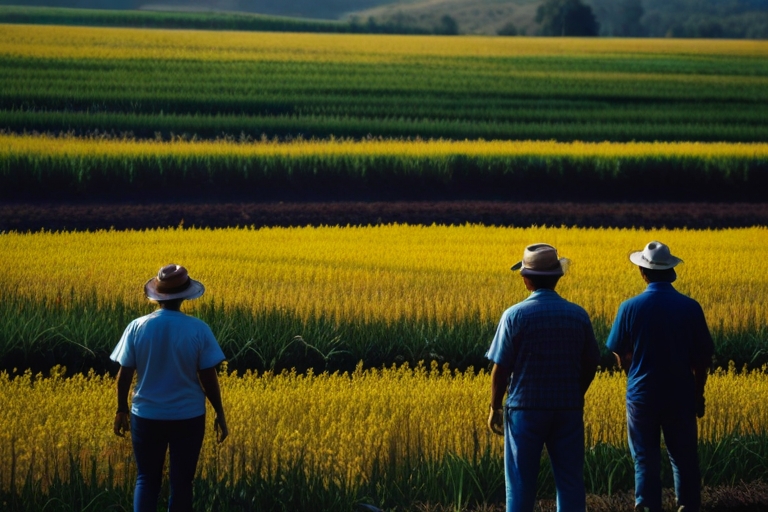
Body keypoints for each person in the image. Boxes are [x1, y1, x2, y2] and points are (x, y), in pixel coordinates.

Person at [486, 243, 601, 512]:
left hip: (525, 409)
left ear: (525, 279)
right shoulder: (578, 315)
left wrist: (495, 406)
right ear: (558, 276)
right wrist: (576, 392)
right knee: (570, 481)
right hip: (568, 409)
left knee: (520, 483)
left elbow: (500, 368)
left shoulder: (514, 315)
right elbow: (592, 362)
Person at [111, 264, 229, 512]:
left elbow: (124, 375)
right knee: (182, 483)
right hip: (188, 416)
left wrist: (121, 409)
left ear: (158, 296)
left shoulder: (137, 327)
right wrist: (219, 412)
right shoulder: (198, 329)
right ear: (185, 296)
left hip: (146, 415)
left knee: (146, 479)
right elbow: (208, 377)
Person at [606, 241, 714, 512]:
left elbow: (619, 352)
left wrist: (634, 372)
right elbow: (702, 359)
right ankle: (686, 506)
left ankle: (646, 506)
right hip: (681, 395)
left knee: (644, 458)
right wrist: (698, 394)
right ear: (671, 272)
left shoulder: (629, 307)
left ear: (644, 272)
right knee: (684, 457)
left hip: (642, 395)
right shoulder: (690, 307)